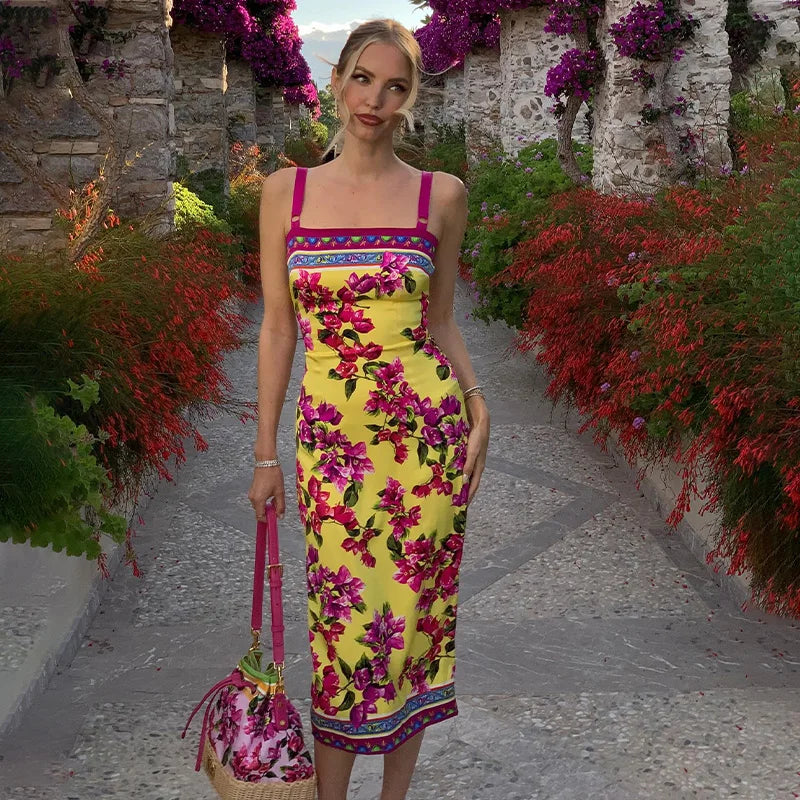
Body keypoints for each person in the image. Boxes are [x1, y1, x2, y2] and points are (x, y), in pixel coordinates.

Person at [248, 18, 490, 800]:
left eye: (394, 86)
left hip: (425, 447)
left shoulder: (440, 195)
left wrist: (479, 404)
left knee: (409, 631)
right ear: (337, 79)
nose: (374, 100)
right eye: (362, 78)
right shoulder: (286, 193)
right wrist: (264, 454)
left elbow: (443, 318)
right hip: (333, 450)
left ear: (410, 97)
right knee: (344, 634)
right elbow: (279, 327)